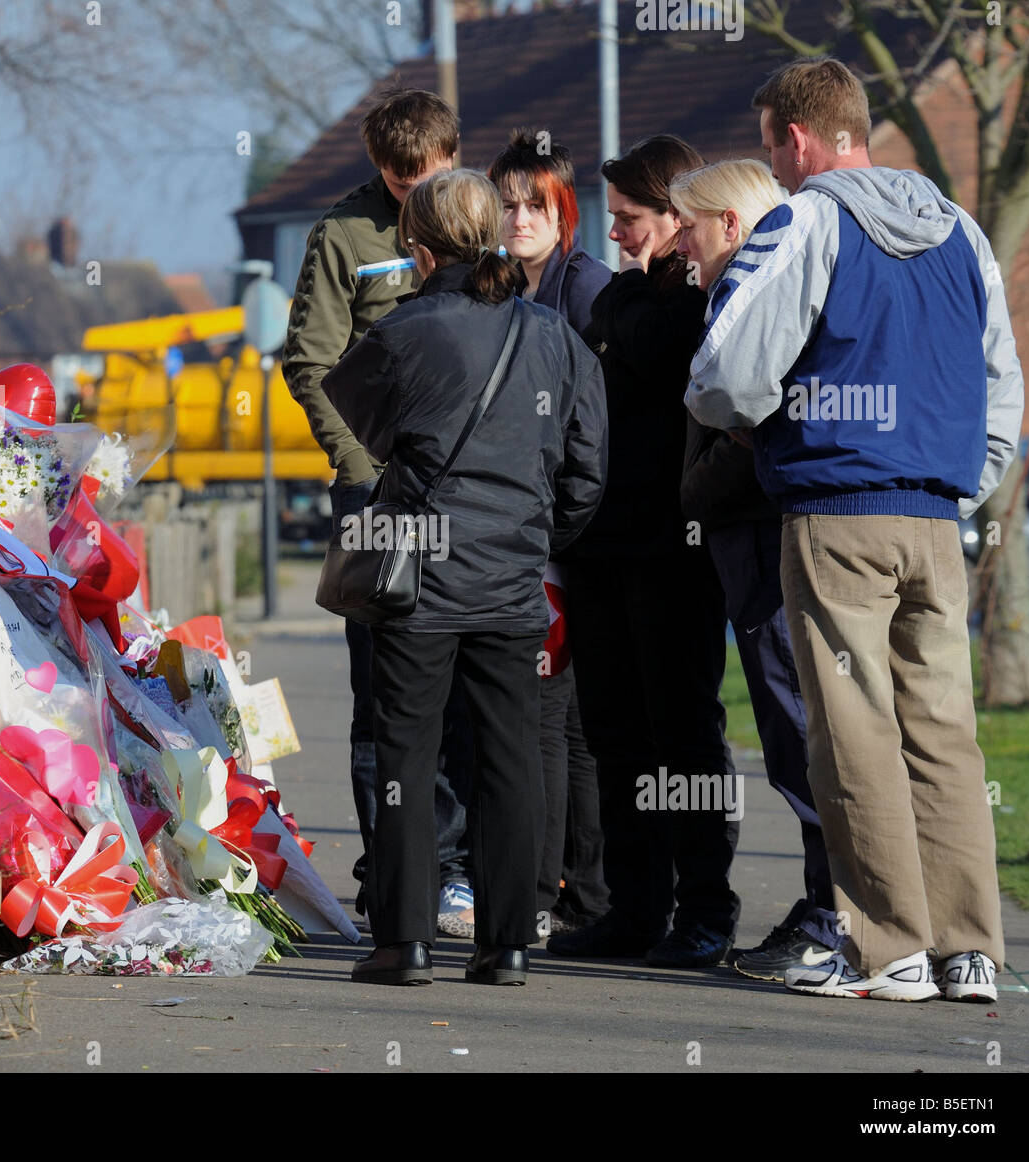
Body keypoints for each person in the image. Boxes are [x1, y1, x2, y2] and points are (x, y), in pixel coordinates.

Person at [685, 58, 1024, 1001]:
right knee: (945, 735)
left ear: (798, 139)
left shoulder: (809, 217)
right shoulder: (960, 228)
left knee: (855, 733)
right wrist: (966, 480)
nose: (777, 170)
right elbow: (1003, 379)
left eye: (771, 150)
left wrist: (736, 412)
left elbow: (727, 368)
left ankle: (893, 950)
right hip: (934, 515)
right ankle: (972, 952)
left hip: (837, 510)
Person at [322, 168, 608, 985]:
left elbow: (369, 430)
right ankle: (508, 942)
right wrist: (536, 534)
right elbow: (589, 468)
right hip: (515, 579)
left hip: (421, 580)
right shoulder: (554, 335)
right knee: (511, 761)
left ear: (417, 247)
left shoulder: (405, 332)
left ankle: (404, 941)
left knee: (407, 758)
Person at [281, 88, 478, 937]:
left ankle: (460, 867)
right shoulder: (343, 236)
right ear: (379, 170)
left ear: (451, 157)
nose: (412, 195)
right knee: (383, 690)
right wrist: (362, 469)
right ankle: (393, 869)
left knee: (473, 683)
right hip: (379, 492)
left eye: (424, 177)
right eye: (397, 183)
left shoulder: (480, 220)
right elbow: (311, 362)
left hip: (471, 489)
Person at [547, 135, 742, 970]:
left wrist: (623, 305)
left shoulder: (698, 293)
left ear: (677, 214)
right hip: (600, 544)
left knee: (684, 731)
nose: (615, 235)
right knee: (618, 731)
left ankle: (704, 908)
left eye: (630, 219)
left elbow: (656, 343)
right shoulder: (632, 295)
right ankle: (634, 908)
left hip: (672, 548)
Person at [672, 158, 842, 979]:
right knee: (791, 735)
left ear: (731, 226)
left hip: (763, 539)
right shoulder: (732, 288)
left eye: (691, 225)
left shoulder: (762, 293)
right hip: (748, 544)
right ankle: (828, 907)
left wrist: (694, 492)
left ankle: (833, 916)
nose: (680, 243)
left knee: (802, 732)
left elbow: (755, 431)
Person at [488, 129, 613, 934]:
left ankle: (566, 893)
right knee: (557, 723)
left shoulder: (589, 293)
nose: (520, 218)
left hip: (576, 539)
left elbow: (589, 434)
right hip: (533, 538)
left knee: (567, 727)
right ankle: (576, 894)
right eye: (507, 204)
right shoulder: (507, 295)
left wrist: (557, 533)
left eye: (536, 204)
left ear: (565, 209)